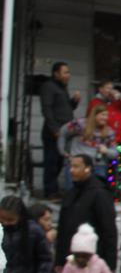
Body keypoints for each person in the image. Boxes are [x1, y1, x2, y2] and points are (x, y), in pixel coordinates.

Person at [39, 62, 81, 198]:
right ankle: (50, 191)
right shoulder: (48, 87)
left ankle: (54, 190)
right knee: (51, 162)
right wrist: (54, 129)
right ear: (56, 74)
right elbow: (47, 109)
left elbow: (66, 109)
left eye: (68, 72)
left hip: (65, 132)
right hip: (54, 132)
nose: (68, 75)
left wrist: (74, 101)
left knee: (59, 162)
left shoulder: (62, 88)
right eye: (65, 72)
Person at [58, 104, 119, 183]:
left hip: (97, 165)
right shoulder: (80, 124)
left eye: (107, 115)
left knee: (96, 192)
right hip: (77, 164)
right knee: (73, 192)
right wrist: (62, 151)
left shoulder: (109, 132)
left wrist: (106, 151)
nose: (105, 118)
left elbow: (116, 152)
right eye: (102, 115)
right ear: (94, 115)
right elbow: (63, 132)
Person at [88, 80, 121, 145]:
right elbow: (90, 119)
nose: (111, 91)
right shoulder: (95, 102)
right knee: (110, 154)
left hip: (120, 140)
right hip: (104, 141)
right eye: (108, 88)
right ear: (101, 89)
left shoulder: (118, 102)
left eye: (112, 88)